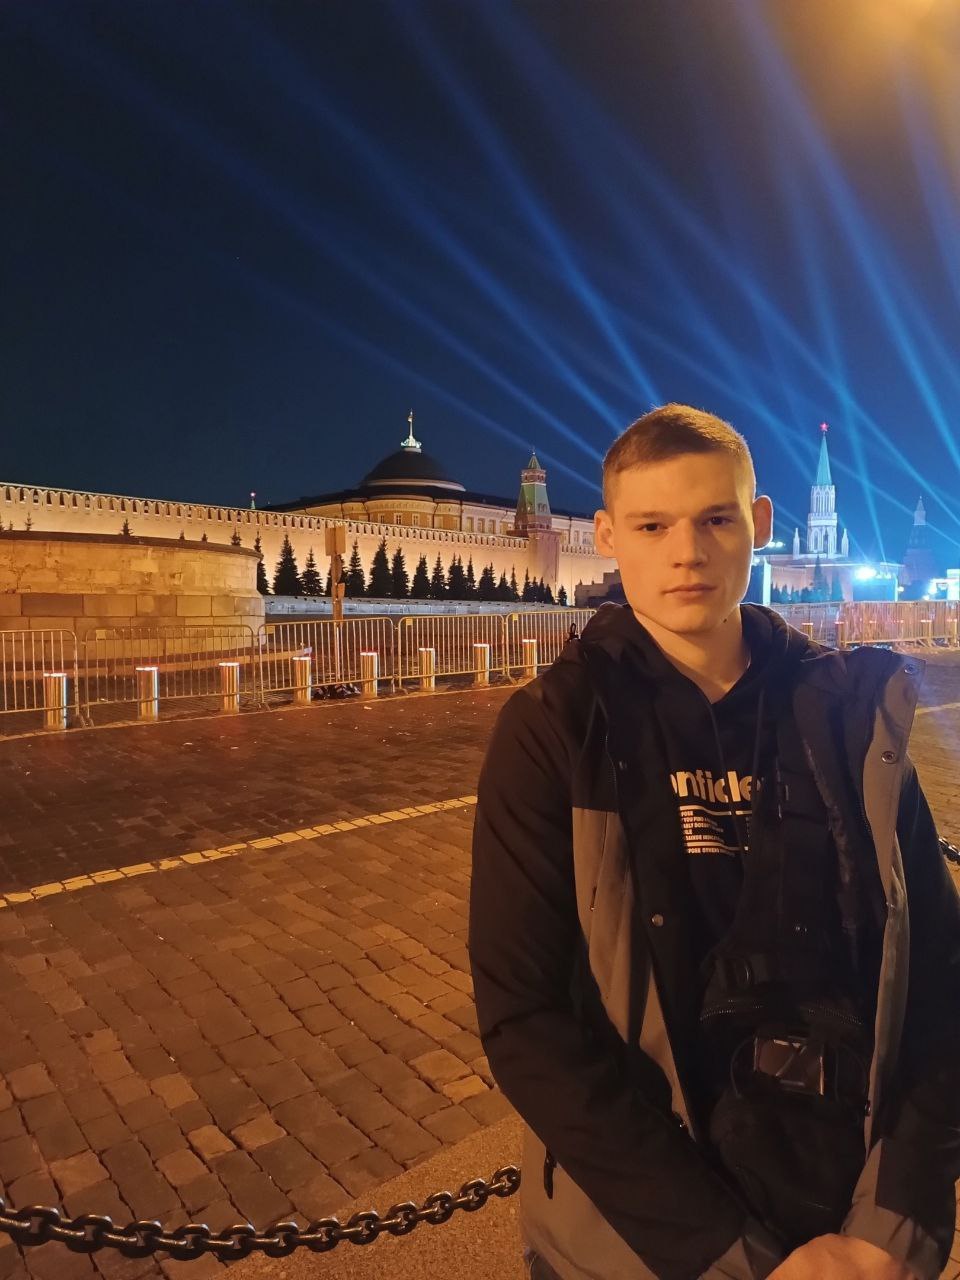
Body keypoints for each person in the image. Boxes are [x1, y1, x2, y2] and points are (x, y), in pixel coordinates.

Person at [469, 405, 960, 1280]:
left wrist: (888, 1226)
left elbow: (939, 975)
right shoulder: (556, 729)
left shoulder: (847, 718)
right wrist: (724, 1256)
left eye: (715, 519)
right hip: (637, 1246)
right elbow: (525, 1018)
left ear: (760, 524)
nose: (686, 553)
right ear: (607, 536)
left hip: (847, 1224)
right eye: (652, 526)